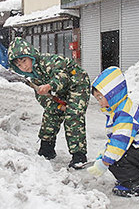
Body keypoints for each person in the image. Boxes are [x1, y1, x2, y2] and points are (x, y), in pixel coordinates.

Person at [8, 37, 91, 169]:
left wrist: (49, 86)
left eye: (24, 60)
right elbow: (43, 98)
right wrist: (58, 105)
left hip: (77, 84)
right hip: (60, 91)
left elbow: (62, 77)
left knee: (73, 116)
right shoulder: (32, 77)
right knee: (50, 114)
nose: (23, 66)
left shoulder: (49, 61)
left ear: (31, 56)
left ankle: (79, 156)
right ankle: (47, 149)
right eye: (19, 65)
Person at [88, 66, 139, 197]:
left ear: (112, 94)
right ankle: (138, 178)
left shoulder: (124, 114)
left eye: (101, 97)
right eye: (97, 99)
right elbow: (117, 138)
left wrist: (105, 161)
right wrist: (105, 152)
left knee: (116, 160)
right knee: (116, 156)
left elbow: (119, 143)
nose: (99, 102)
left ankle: (135, 184)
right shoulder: (122, 107)